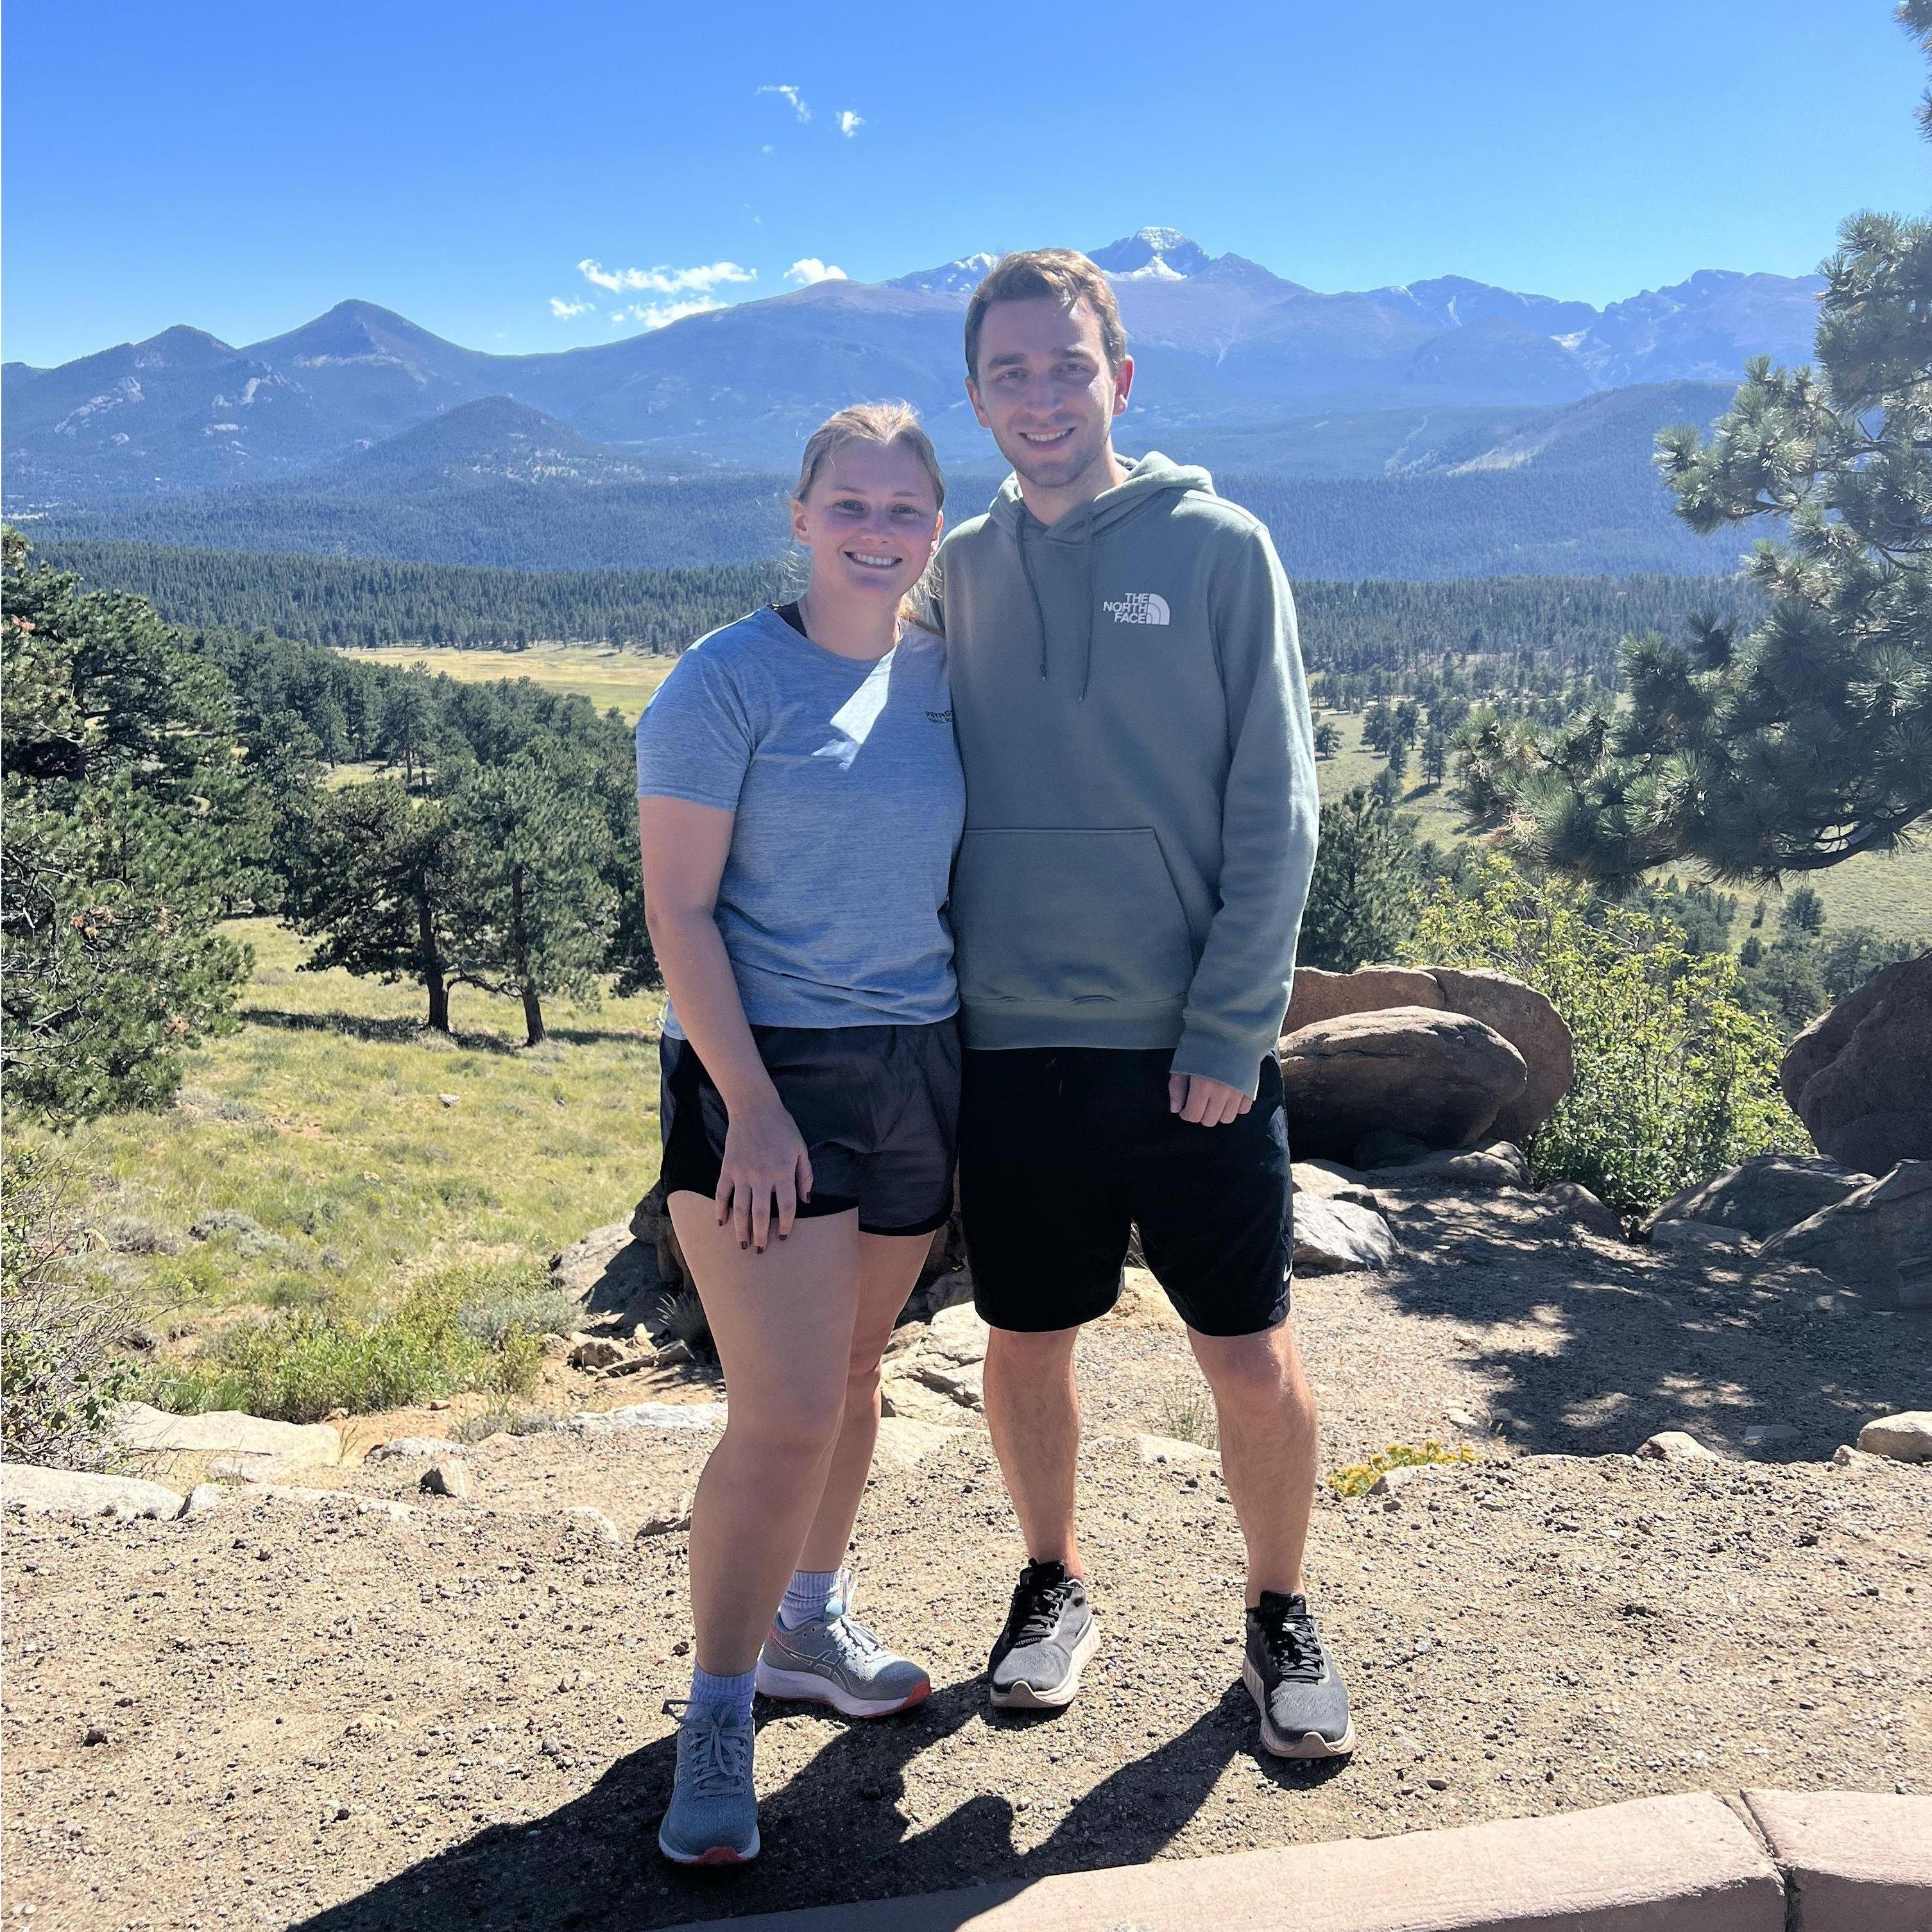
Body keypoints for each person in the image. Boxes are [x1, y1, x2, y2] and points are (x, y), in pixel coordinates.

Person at [921, 250, 1353, 1758]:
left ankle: (1280, 1609)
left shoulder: (1223, 548)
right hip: (1014, 1044)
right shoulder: (955, 573)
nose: (1042, 397)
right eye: (1009, 373)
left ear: (1123, 374)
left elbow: (1278, 808)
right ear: (976, 398)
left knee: (1247, 1353)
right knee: (1029, 1339)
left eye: (1067, 364)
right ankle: (1054, 1584)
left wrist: (1233, 1028)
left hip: (1194, 1056)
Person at [635, 402, 962, 1866]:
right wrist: (753, 1108)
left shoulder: (947, 678)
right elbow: (679, 910)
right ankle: (717, 1708)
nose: (877, 530)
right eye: (852, 504)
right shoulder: (725, 682)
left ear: (936, 528)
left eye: (905, 508)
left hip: (919, 1060)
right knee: (780, 1412)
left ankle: (808, 1630)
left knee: (849, 1372)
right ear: (800, 514)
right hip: (764, 1076)